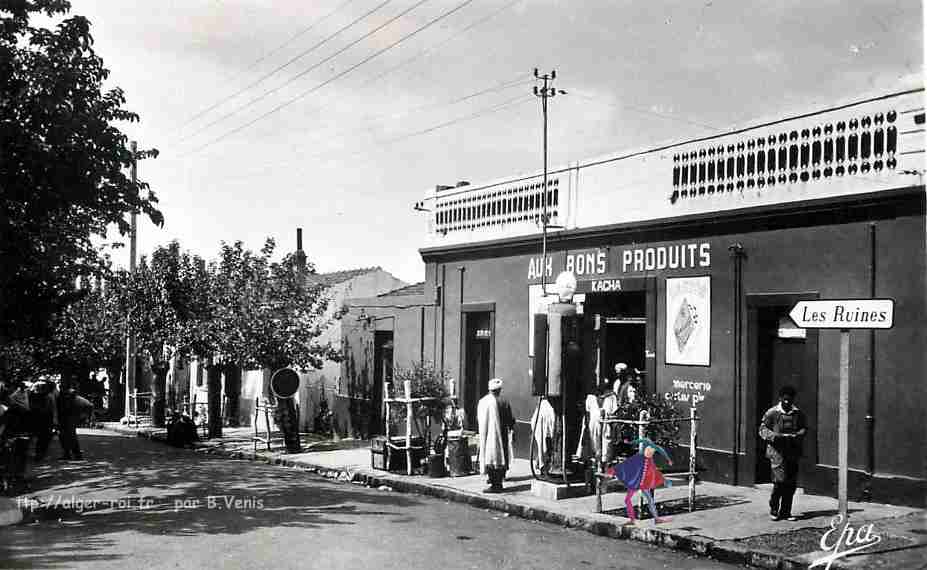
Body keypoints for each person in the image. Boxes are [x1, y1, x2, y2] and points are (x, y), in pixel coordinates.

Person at [759, 385, 807, 521]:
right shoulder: (772, 413)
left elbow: (804, 428)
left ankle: (786, 512)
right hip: (776, 452)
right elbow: (762, 430)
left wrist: (798, 435)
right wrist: (775, 436)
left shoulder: (798, 414)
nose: (787, 402)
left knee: (790, 483)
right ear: (780, 399)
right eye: (785, 399)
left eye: (790, 400)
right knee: (779, 482)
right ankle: (774, 508)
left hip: (792, 451)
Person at [606, 436, 673, 523]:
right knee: (633, 499)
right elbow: (639, 441)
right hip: (638, 477)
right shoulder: (647, 446)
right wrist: (629, 442)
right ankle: (635, 519)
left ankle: (654, 518)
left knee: (647, 499)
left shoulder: (652, 453)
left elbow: (662, 453)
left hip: (641, 479)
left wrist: (668, 460)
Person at [477, 378, 515, 493]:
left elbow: (480, 418)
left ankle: (495, 484)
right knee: (501, 456)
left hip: (487, 434)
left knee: (490, 456)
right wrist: (512, 428)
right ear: (499, 390)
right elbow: (510, 419)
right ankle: (498, 481)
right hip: (501, 433)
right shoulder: (504, 402)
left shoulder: (483, 401)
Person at [57, 386, 93, 460]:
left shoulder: (78, 399)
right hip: (66, 419)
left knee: (71, 437)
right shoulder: (67, 399)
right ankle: (68, 454)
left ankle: (76, 455)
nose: (68, 396)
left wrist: (85, 417)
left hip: (71, 419)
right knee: (64, 437)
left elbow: (89, 405)